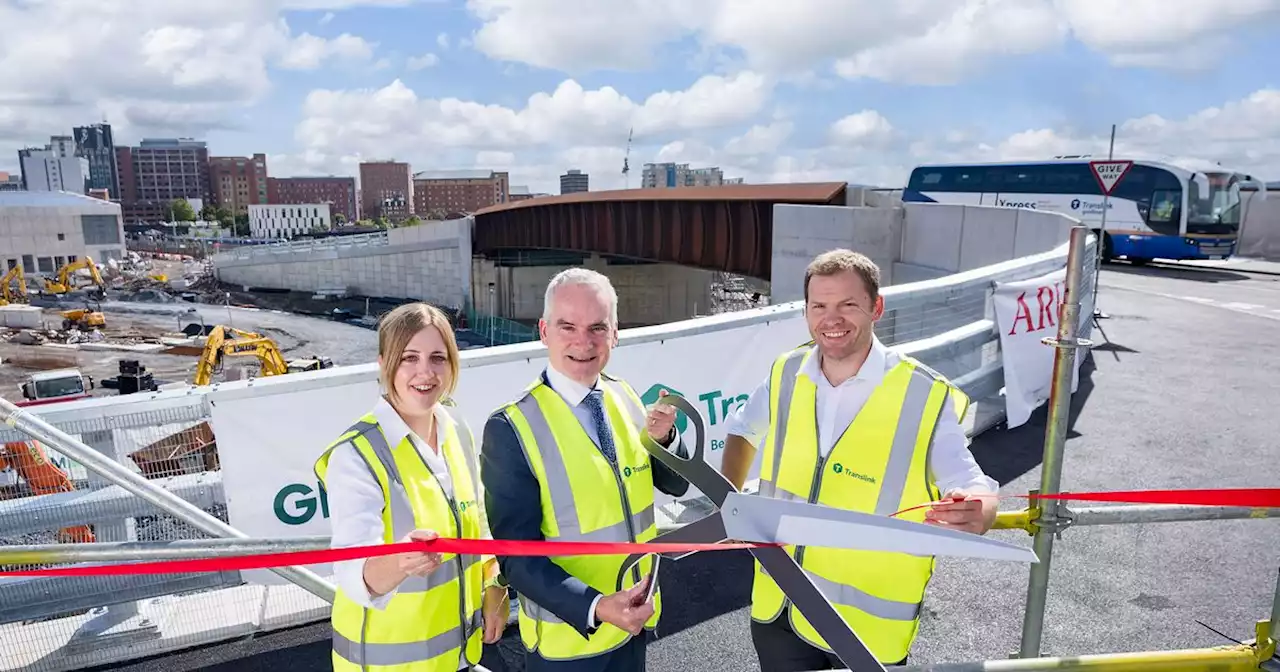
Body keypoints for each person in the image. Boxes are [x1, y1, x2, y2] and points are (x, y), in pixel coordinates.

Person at [719, 249, 1000, 671]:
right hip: (782, 603)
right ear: (807, 311)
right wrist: (730, 501)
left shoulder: (922, 394)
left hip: (867, 627)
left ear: (876, 308)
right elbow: (743, 430)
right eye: (819, 306)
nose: (831, 319)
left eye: (848, 305)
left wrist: (981, 509)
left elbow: (969, 480)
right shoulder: (786, 371)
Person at [480, 268, 692, 672]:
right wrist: (597, 607)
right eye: (568, 326)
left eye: (598, 327)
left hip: (634, 624)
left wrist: (667, 441)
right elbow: (517, 559)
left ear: (615, 333)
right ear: (543, 331)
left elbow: (675, 485)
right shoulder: (510, 429)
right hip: (569, 643)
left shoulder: (625, 396)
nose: (584, 341)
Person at [314, 302, 509, 672]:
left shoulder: (455, 429)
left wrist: (494, 586)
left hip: (457, 658)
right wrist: (401, 562)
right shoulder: (356, 455)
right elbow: (354, 579)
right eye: (409, 358)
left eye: (438, 357)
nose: (425, 372)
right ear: (384, 363)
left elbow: (478, 521)